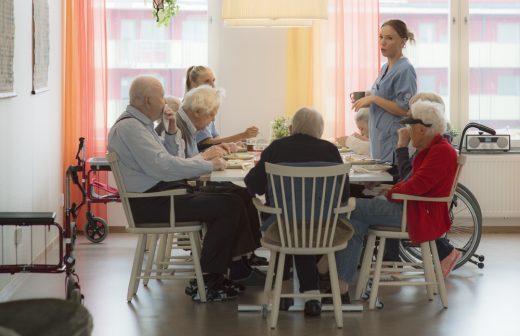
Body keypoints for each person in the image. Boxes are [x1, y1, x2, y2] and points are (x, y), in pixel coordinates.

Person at [107, 75, 260, 301]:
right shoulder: (131, 128)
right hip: (154, 202)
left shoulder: (141, 125)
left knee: (235, 195)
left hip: (162, 194)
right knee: (229, 205)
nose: (166, 104)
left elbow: (170, 158)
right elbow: (165, 167)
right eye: (161, 98)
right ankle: (210, 279)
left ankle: (236, 265)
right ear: (147, 100)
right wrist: (206, 163)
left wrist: (170, 132)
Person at [332, 99, 458, 301]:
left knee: (348, 206)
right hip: (413, 209)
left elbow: (415, 186)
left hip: (417, 214)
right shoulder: (432, 149)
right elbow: (412, 182)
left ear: (422, 129)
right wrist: (387, 189)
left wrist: (388, 192)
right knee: (354, 220)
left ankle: (324, 271)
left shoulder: (441, 152)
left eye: (411, 126)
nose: (407, 130)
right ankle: (341, 288)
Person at [244, 107, 351, 317]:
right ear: (319, 130)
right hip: (323, 228)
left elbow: (252, 184)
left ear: (293, 128)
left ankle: (285, 287)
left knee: (292, 223)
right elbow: (344, 194)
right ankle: (309, 293)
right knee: (304, 226)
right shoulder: (330, 150)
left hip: (283, 226)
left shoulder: (277, 148)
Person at [167, 84, 268, 282]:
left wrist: (210, 153)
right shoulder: (177, 127)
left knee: (242, 194)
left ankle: (242, 261)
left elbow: (187, 157)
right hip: (176, 192)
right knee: (232, 202)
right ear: (197, 112)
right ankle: (218, 272)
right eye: (211, 114)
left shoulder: (185, 125)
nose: (213, 119)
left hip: (184, 186)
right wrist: (206, 158)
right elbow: (179, 165)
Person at [352, 19, 417, 165]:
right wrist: (366, 99)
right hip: (379, 141)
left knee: (389, 185)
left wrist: (374, 99)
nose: (383, 42)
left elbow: (404, 109)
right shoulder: (385, 67)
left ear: (402, 41)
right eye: (381, 37)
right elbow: (385, 98)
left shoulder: (405, 69)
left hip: (392, 143)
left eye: (389, 38)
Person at [185, 65, 259, 150]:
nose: (213, 85)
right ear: (194, 84)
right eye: (207, 82)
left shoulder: (206, 105)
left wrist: (232, 143)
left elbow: (216, 138)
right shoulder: (193, 107)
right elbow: (206, 143)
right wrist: (242, 135)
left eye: (213, 80)